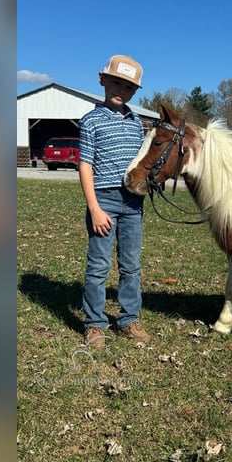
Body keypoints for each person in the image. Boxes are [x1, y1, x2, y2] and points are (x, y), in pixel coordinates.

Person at [78, 54, 150, 348]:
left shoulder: (137, 123)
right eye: (116, 83)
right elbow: (85, 166)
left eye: (129, 87)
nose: (122, 90)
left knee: (131, 266)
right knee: (98, 266)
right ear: (102, 79)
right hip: (104, 201)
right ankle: (95, 324)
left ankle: (129, 319)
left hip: (133, 204)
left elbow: (142, 164)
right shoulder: (90, 121)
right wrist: (94, 208)